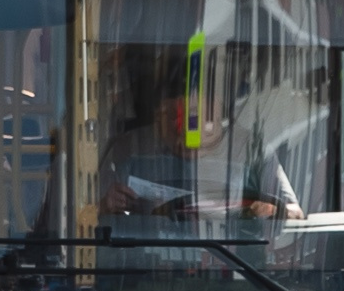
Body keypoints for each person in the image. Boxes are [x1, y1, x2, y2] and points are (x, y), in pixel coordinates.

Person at [99, 90, 303, 223]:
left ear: (216, 108)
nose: (184, 129)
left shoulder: (251, 149)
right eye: (171, 117)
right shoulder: (129, 149)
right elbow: (87, 215)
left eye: (193, 116)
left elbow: (295, 214)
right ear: (157, 117)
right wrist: (107, 205)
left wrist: (269, 211)